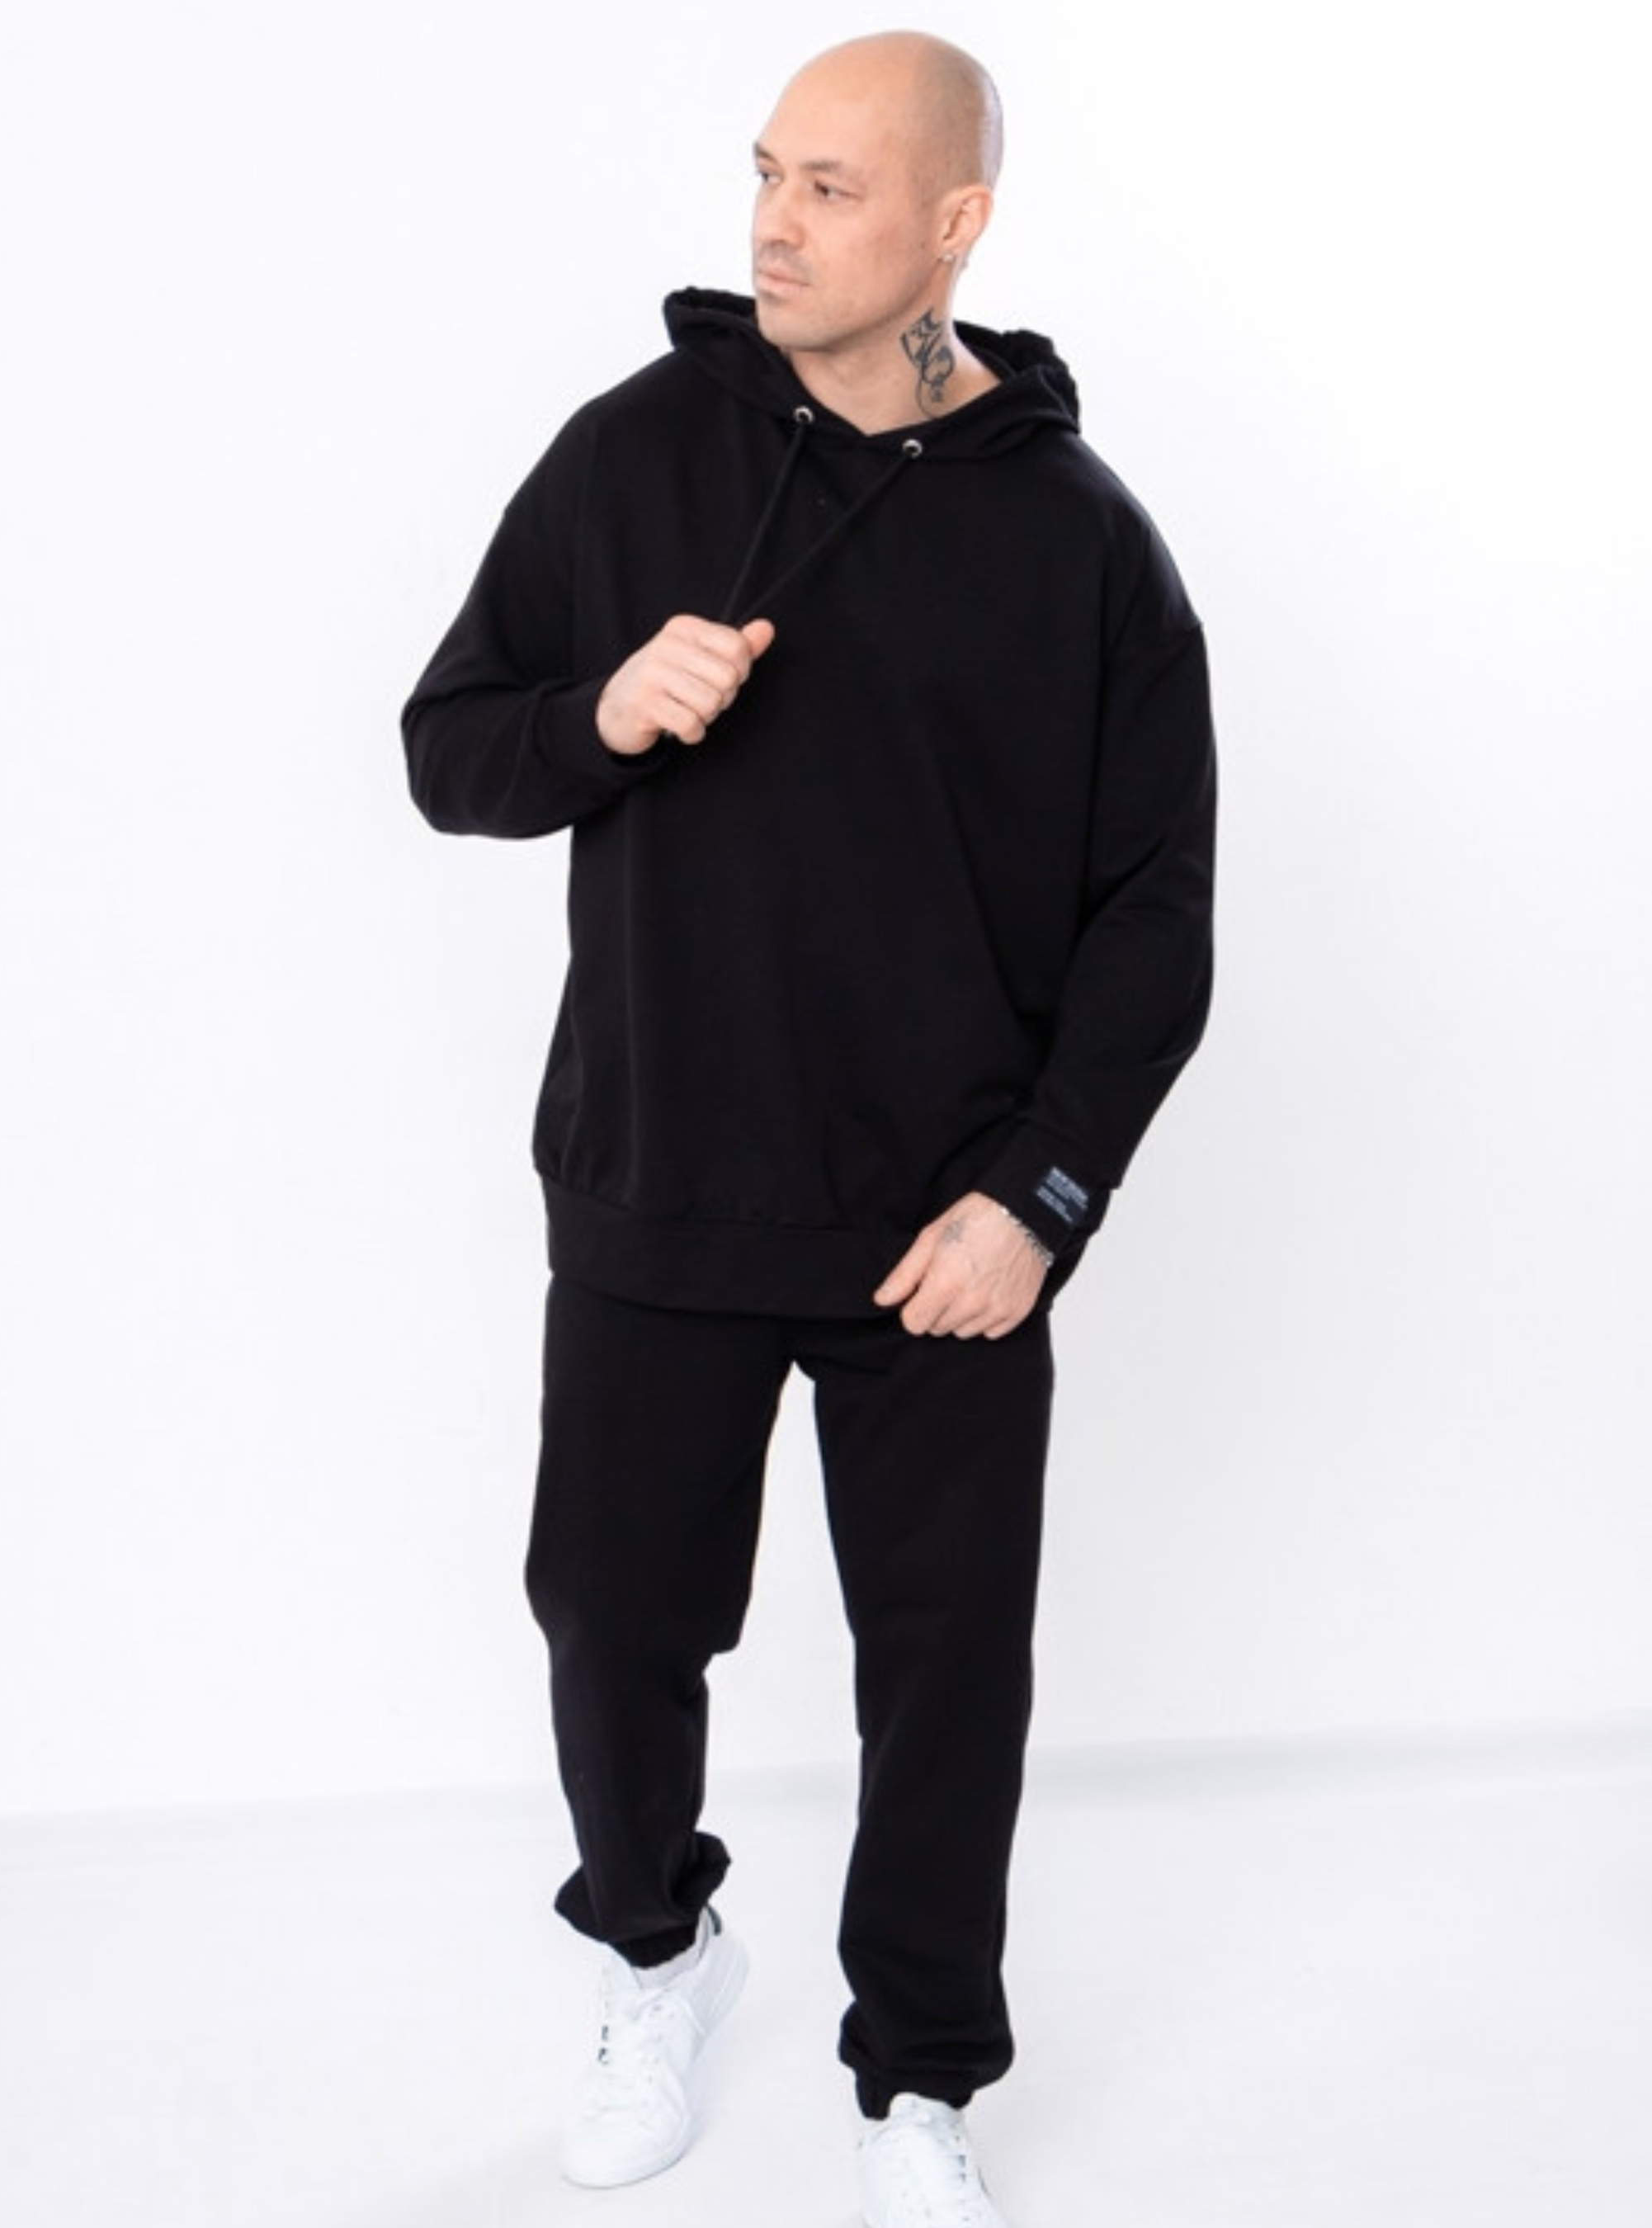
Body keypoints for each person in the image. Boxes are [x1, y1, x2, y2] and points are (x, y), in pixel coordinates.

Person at [401, 29, 1215, 2228]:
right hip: (657, 1181)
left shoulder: (1080, 541)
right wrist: (599, 711)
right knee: (607, 1622)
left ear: (955, 224)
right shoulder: (630, 456)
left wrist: (1040, 1196)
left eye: (832, 188)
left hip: (943, 1232)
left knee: (943, 1674)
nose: (773, 222)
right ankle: (654, 1951)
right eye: (765, 173)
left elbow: (1155, 917)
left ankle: (918, 2074)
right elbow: (450, 746)